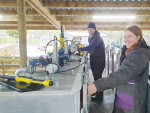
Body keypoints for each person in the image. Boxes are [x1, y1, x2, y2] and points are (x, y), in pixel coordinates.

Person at [88, 25, 150, 113]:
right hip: (125, 99)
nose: (126, 39)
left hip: (131, 103)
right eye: (125, 37)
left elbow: (123, 73)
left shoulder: (139, 55)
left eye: (130, 36)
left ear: (138, 37)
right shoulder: (131, 51)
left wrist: (99, 84)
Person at [71, 22, 105, 101]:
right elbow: (93, 48)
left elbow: (91, 47)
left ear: (95, 29)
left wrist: (77, 49)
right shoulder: (91, 37)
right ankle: (97, 91)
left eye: (91, 29)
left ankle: (100, 96)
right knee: (95, 77)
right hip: (94, 59)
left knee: (98, 78)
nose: (90, 30)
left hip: (99, 61)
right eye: (88, 29)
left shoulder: (97, 37)